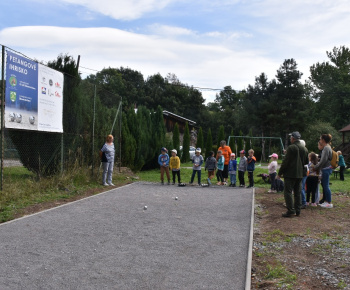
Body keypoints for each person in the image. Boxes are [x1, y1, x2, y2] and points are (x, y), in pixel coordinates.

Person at [277, 131, 308, 217]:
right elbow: (306, 162)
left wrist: (280, 173)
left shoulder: (291, 148)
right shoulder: (304, 149)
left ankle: (291, 210)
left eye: (291, 137)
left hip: (290, 174)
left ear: (293, 138)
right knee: (298, 192)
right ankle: (298, 210)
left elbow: (285, 162)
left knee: (288, 192)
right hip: (300, 174)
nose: (290, 139)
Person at [314, 134, 333, 208]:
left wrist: (316, 167)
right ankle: (326, 201)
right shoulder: (328, 147)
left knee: (326, 186)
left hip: (325, 169)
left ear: (323, 140)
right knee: (325, 186)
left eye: (320, 138)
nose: (319, 140)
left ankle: (328, 202)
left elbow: (323, 160)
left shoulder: (326, 148)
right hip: (327, 169)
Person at [299, 140, 308, 209]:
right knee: (301, 187)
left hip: (302, 172)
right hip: (304, 171)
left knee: (301, 188)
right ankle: (302, 201)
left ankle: (303, 202)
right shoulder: (305, 150)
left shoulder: (302, 151)